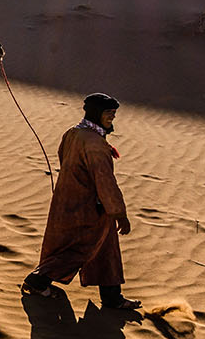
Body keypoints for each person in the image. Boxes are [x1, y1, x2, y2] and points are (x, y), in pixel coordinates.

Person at [21, 93, 139, 311]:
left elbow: (64, 158)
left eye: (114, 112)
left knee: (106, 249)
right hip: (88, 208)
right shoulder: (94, 144)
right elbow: (105, 181)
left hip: (70, 201)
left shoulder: (74, 133)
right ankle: (37, 280)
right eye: (108, 112)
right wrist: (119, 213)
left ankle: (113, 298)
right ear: (96, 114)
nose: (112, 116)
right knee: (80, 249)